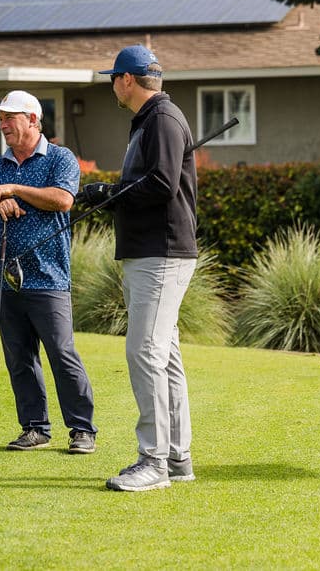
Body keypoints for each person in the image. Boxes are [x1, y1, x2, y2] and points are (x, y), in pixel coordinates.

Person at [78, 44, 198, 492]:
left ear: (127, 79)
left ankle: (154, 462)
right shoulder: (153, 120)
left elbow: (163, 185)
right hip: (154, 251)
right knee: (163, 355)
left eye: (114, 77)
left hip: (160, 252)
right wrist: (109, 193)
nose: (113, 84)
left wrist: (108, 192)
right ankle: (177, 457)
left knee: (144, 352)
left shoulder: (162, 119)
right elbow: (155, 181)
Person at [0, 90, 98, 455]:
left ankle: (82, 430)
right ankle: (35, 428)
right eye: (1, 118)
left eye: (11, 117)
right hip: (6, 280)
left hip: (50, 277)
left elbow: (63, 199)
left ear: (34, 120)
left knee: (61, 353)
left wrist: (16, 190)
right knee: (19, 358)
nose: (4, 124)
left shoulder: (60, 158)